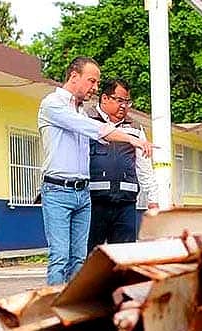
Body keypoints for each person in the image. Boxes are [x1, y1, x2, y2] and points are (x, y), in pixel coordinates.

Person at [38, 57, 153, 285]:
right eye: (92, 81)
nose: (95, 87)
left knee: (80, 259)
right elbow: (95, 129)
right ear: (74, 76)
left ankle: (76, 303)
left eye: (97, 82)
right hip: (58, 190)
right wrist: (132, 139)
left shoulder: (80, 112)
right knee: (60, 257)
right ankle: (55, 305)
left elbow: (99, 133)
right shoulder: (52, 104)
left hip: (83, 193)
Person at [85, 78, 158, 249]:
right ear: (104, 98)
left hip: (126, 204)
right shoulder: (86, 120)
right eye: (119, 100)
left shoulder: (135, 128)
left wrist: (153, 201)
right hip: (93, 203)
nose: (124, 106)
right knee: (90, 255)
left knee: (124, 255)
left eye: (127, 102)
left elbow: (144, 167)